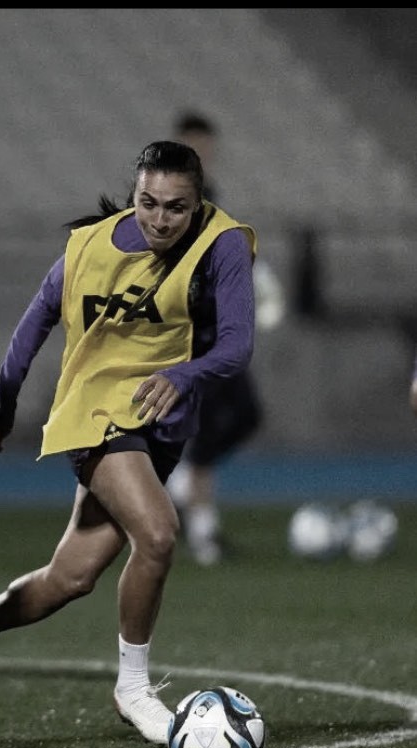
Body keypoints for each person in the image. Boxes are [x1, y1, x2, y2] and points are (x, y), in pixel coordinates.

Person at [0, 141, 256, 745]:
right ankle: (133, 688)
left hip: (161, 419)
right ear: (134, 194)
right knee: (158, 532)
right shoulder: (90, 245)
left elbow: (237, 346)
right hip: (94, 410)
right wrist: (5, 398)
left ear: (198, 203)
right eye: (147, 203)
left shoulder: (221, 244)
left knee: (69, 579)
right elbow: (37, 317)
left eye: (176, 208)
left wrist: (183, 374)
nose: (159, 219)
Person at [165, 111, 284, 565]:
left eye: (206, 148)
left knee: (245, 417)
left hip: (219, 331)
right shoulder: (166, 202)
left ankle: (181, 492)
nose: (203, 156)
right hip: (191, 335)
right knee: (209, 427)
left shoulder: (206, 196)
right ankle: (203, 534)